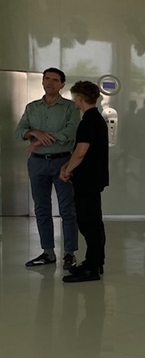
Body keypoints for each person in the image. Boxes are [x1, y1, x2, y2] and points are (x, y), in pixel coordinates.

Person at [16, 67, 79, 269]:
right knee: (41, 208)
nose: (50, 83)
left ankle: (69, 253)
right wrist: (35, 132)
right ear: (42, 82)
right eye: (47, 79)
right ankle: (48, 252)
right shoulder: (32, 107)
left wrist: (41, 139)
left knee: (67, 209)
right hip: (37, 163)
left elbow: (70, 132)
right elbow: (19, 132)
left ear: (62, 84)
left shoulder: (70, 107)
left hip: (63, 162)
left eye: (55, 80)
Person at [59, 81, 109, 283]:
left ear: (80, 98)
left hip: (87, 179)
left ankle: (91, 266)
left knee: (87, 222)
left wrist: (67, 170)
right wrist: (67, 165)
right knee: (94, 221)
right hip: (93, 178)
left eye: (75, 98)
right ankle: (96, 261)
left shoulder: (88, 121)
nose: (74, 102)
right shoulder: (97, 119)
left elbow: (80, 152)